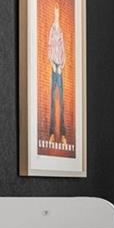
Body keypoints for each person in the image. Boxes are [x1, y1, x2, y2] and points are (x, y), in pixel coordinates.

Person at [47, 12, 67, 142]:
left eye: (58, 14)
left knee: (61, 102)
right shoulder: (52, 30)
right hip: (54, 68)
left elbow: (63, 50)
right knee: (52, 101)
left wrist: (62, 66)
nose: (56, 16)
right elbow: (49, 48)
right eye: (55, 13)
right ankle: (51, 133)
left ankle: (63, 134)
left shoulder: (61, 32)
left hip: (59, 69)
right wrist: (52, 64)